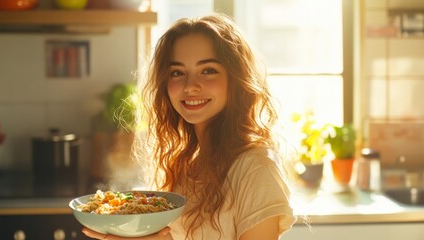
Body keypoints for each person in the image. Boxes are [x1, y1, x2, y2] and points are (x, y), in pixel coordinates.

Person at [83, 13, 296, 240]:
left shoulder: (256, 167)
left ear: (236, 80)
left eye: (208, 70)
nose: (190, 86)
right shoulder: (186, 166)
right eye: (177, 73)